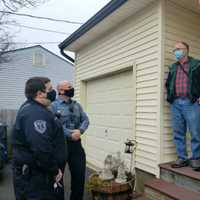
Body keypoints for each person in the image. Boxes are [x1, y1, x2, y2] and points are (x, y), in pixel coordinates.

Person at [12, 77, 66, 200]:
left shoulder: (35, 108)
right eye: (50, 89)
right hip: (37, 178)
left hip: (38, 175)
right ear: (40, 93)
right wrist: (54, 170)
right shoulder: (35, 113)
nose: (53, 93)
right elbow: (40, 148)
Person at [51, 80, 89, 200]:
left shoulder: (76, 105)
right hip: (60, 145)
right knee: (58, 178)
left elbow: (86, 120)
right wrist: (69, 134)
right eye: (69, 87)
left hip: (76, 146)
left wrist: (80, 131)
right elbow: (53, 125)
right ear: (61, 90)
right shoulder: (53, 106)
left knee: (79, 177)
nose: (72, 89)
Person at [166, 41, 200, 170]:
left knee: (195, 132)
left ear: (186, 50)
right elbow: (168, 83)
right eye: (174, 49)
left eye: (178, 48)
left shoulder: (196, 64)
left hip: (191, 102)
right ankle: (182, 158)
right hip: (176, 103)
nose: (176, 51)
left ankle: (196, 158)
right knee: (178, 132)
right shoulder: (173, 67)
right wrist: (170, 97)